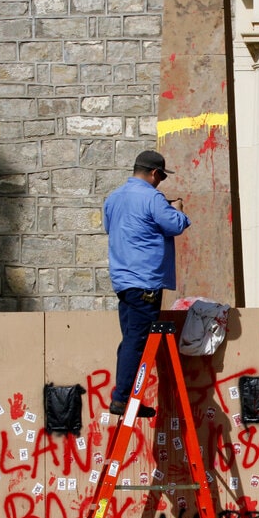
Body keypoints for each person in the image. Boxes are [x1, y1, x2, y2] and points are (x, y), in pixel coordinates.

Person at [103, 150, 190, 418]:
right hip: (146, 281)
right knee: (137, 341)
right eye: (161, 176)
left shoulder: (114, 198)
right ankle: (122, 399)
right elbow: (175, 225)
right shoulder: (152, 197)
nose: (161, 181)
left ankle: (127, 398)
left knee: (130, 338)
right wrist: (177, 209)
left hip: (124, 281)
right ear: (154, 173)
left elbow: (110, 228)